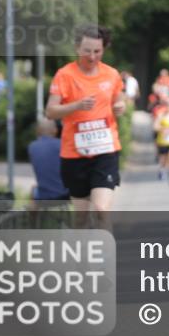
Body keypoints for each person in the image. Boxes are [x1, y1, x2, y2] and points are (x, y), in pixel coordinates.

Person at [45, 24, 127, 227]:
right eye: (87, 51)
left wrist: (120, 106)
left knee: (101, 209)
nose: (92, 56)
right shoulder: (65, 75)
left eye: (97, 51)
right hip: (74, 154)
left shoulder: (111, 74)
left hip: (105, 150)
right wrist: (77, 105)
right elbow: (50, 111)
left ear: (104, 49)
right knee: (80, 217)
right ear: (77, 48)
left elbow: (119, 99)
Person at [28, 118, 70, 204]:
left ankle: (32, 212)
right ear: (55, 130)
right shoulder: (62, 144)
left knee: (33, 189)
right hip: (65, 194)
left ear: (38, 131)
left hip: (43, 196)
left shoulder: (32, 147)